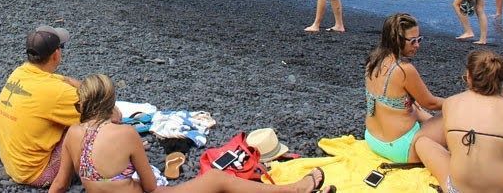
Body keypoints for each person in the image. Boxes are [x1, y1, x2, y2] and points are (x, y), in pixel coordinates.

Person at [51, 74, 332, 193]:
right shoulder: (125, 135)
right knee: (216, 179)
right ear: (110, 104)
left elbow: (60, 185)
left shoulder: (73, 134)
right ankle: (294, 189)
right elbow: (150, 187)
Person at [422, 50, 503, 193]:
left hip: (458, 190)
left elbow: (453, 147)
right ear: (500, 80)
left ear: (469, 76)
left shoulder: (450, 103)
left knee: (423, 142)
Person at [0, 25, 81, 188]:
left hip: (14, 165)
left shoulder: (19, 72)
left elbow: (59, 80)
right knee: (91, 127)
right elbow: (108, 114)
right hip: (36, 174)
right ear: (56, 54)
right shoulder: (57, 92)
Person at [364, 13, 445, 166]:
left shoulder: (373, 61)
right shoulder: (404, 70)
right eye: (412, 41)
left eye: (419, 39)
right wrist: (459, 103)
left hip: (373, 139)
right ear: (397, 40)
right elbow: (431, 103)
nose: (417, 45)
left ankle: (428, 122)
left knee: (411, 104)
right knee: (449, 117)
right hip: (401, 149)